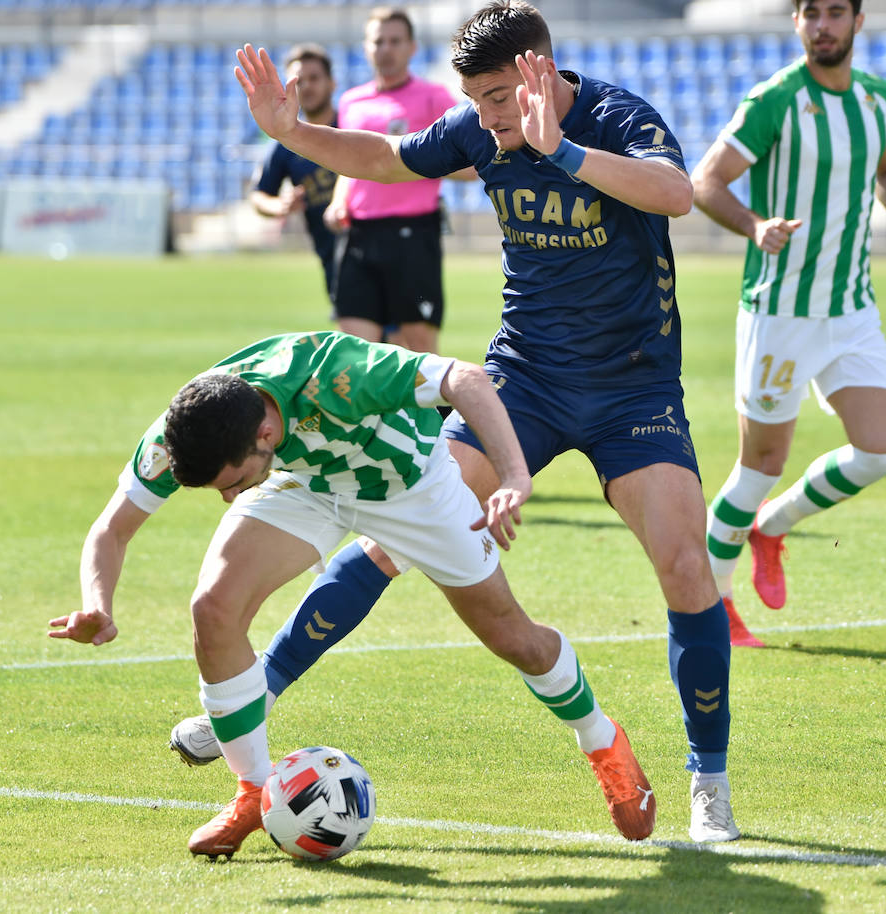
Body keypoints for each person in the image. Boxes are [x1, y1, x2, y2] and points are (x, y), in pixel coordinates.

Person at [215, 0, 744, 843]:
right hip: (523, 381)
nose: (489, 118)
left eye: (501, 98)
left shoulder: (615, 116)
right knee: (395, 530)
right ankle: (255, 696)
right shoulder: (476, 128)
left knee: (686, 568)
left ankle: (708, 785)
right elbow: (388, 158)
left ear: (540, 69)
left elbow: (676, 194)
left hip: (632, 389)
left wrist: (560, 151)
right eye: (479, 101)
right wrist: (296, 129)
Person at [48, 331, 658, 859]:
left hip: (410, 488)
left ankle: (601, 739)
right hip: (302, 482)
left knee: (512, 638)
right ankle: (256, 792)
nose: (228, 499)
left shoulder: (338, 375)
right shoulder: (187, 429)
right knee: (214, 608)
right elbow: (112, 527)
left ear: (264, 431)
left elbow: (467, 379)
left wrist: (516, 475)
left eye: (231, 483)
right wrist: (97, 601)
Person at [689, 0, 886, 618]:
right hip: (780, 312)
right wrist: (754, 225)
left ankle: (771, 529)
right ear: (796, 23)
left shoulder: (878, 99)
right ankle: (715, 604)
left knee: (880, 451)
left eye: (835, 12)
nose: (822, 25)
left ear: (859, 21)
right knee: (760, 464)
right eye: (810, 13)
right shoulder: (775, 100)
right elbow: (705, 182)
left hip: (852, 308)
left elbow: (885, 167)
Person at [324, 7, 460, 354]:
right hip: (358, 234)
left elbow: (469, 164)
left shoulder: (434, 98)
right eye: (378, 41)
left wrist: (413, 164)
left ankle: (431, 412)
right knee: (354, 348)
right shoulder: (352, 101)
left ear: (412, 47)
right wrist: (339, 200)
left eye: (395, 41)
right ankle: (370, 412)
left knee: (417, 347)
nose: (386, 49)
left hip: (412, 235)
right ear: (367, 48)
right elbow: (348, 164)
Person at [251, 45, 341, 299]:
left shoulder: (354, 124)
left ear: (332, 83)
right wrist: (280, 206)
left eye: (314, 78)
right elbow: (258, 195)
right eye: (298, 81)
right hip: (333, 257)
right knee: (354, 336)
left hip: (381, 245)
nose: (307, 87)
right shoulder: (285, 144)